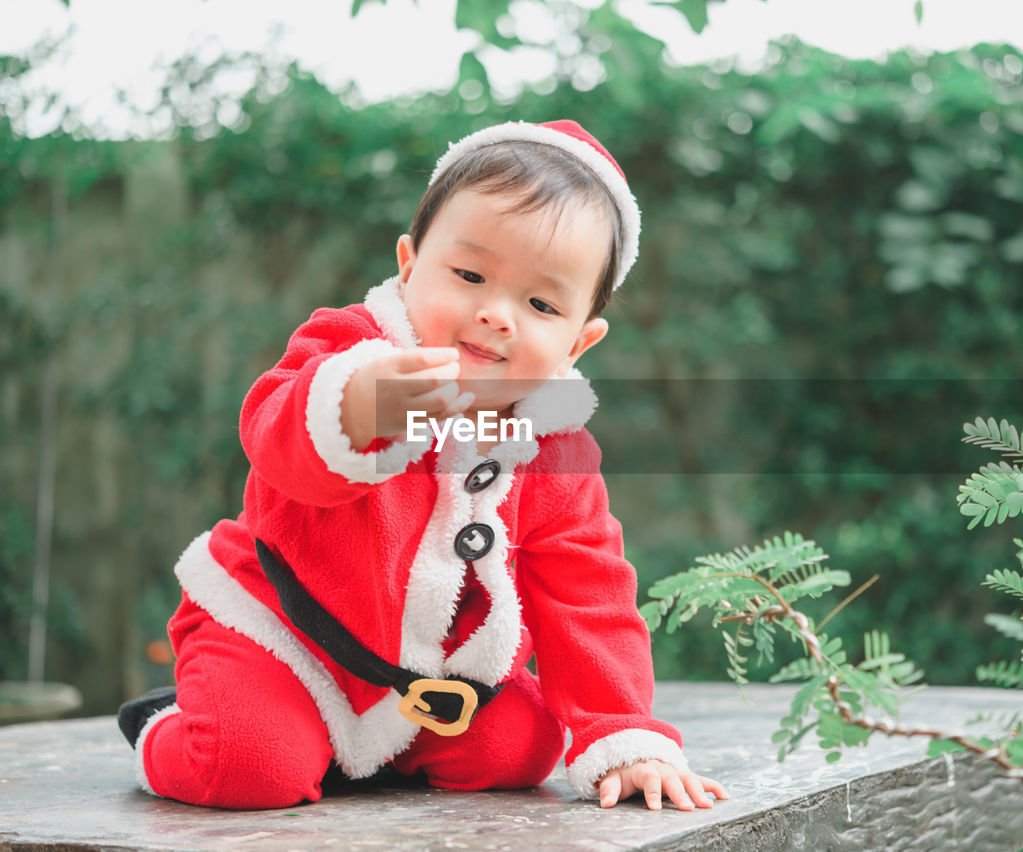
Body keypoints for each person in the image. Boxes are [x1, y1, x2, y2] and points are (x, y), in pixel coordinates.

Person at [118, 119, 726, 813]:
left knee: (521, 749)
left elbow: (588, 595)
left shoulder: (554, 450)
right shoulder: (355, 355)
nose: (496, 314)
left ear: (579, 341)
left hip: (416, 680)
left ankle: (354, 751)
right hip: (279, 635)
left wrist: (625, 733)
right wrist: (356, 410)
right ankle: (170, 723)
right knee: (249, 767)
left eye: (540, 303)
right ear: (409, 265)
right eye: (469, 275)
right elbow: (273, 435)